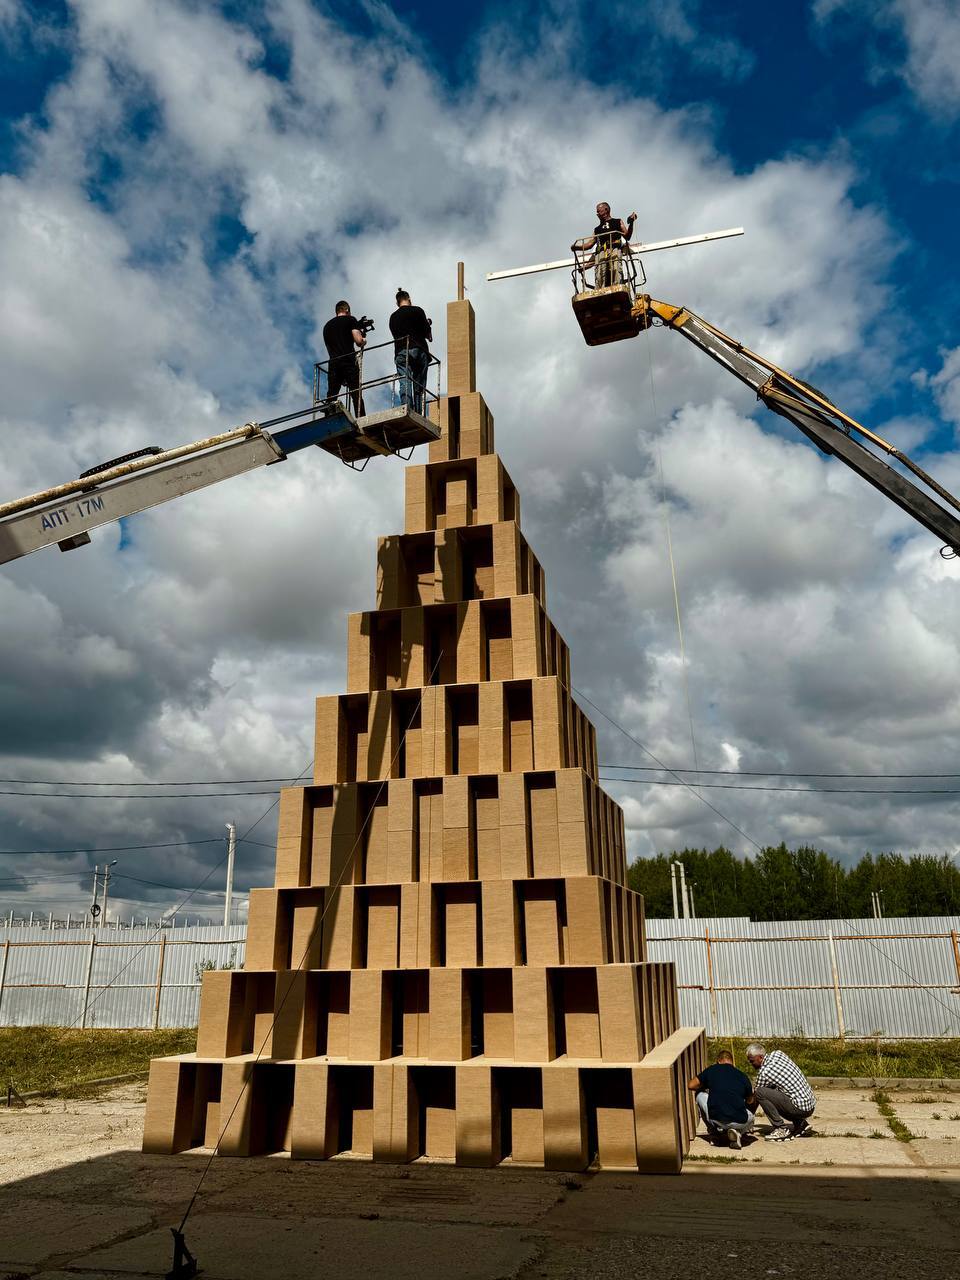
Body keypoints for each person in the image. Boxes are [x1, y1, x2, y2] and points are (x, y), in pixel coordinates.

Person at [746, 1042, 816, 1141]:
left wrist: (747, 1119)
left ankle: (780, 1129)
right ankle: (800, 1124)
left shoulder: (765, 1072)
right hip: (810, 1105)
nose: (751, 1064)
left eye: (752, 1061)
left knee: (760, 1092)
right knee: (777, 1089)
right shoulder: (778, 1054)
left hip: (800, 1108)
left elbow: (756, 1097)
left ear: (760, 1057)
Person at [687, 1050, 756, 1149]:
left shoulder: (712, 1070)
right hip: (740, 1120)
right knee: (751, 1118)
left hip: (716, 1119)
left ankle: (714, 1134)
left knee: (699, 1094)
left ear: (718, 1061)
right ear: (732, 1062)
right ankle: (738, 1132)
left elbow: (691, 1085)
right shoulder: (743, 1076)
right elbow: (750, 1101)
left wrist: (707, 1087)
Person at [573, 202, 637, 288]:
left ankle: (617, 287)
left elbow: (627, 236)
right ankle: (600, 289)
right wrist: (577, 247)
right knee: (600, 273)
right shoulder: (597, 229)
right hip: (601, 253)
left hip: (614, 250)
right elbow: (590, 244)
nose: (597, 214)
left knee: (616, 269)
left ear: (606, 210)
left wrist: (631, 223)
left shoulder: (617, 221)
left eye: (599, 211)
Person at [389, 288, 432, 414]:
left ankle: (406, 409)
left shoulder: (393, 317)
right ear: (409, 299)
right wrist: (427, 325)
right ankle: (419, 413)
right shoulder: (418, 311)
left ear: (397, 303)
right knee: (419, 384)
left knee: (404, 381)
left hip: (401, 351)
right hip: (419, 349)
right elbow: (428, 336)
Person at [322, 300, 366, 416]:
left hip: (333, 363)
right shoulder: (351, 320)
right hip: (348, 361)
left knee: (332, 395)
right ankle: (361, 418)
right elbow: (358, 341)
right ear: (347, 310)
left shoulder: (327, 326)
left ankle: (328, 420)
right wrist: (363, 340)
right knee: (356, 394)